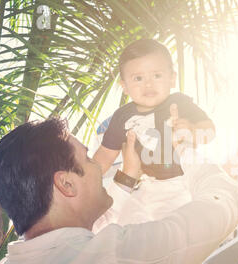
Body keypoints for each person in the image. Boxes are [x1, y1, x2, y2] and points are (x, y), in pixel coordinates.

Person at [0, 118, 238, 264]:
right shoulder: (120, 259)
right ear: (66, 183)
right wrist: (182, 155)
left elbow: (79, 242)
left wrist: (127, 176)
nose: (97, 167)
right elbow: (222, 206)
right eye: (89, 158)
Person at [92, 38, 216, 229]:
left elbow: (209, 131)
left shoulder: (180, 103)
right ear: (124, 86)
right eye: (138, 78)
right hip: (143, 185)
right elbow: (106, 154)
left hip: (179, 181)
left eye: (157, 75)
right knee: (130, 228)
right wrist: (89, 178)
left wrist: (192, 130)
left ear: (172, 78)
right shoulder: (122, 117)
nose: (148, 84)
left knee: (174, 228)